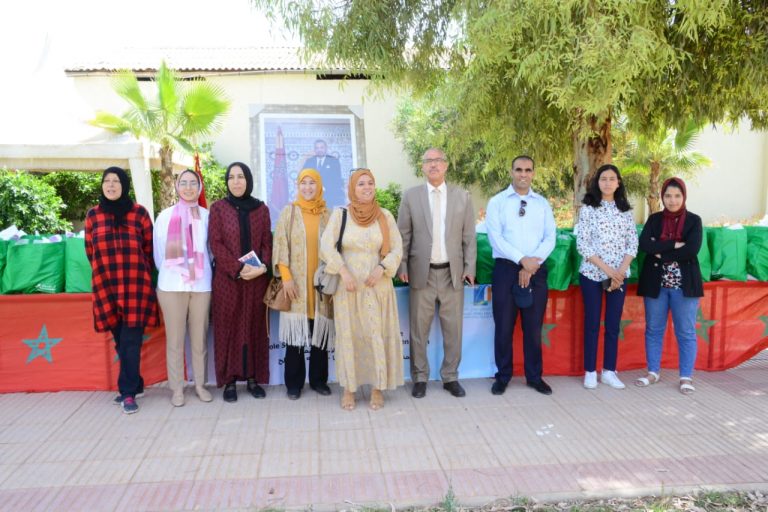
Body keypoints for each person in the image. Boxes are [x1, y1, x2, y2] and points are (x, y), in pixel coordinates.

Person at [320, 168, 403, 411]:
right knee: (350, 336)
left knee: (376, 334)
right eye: (361, 184)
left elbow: (397, 248)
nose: (367, 187)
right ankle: (349, 388)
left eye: (370, 183)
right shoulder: (341, 215)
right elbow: (326, 246)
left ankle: (377, 387)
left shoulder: (384, 216)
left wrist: (382, 267)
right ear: (352, 188)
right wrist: (343, 271)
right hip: (349, 289)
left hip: (378, 287)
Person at [397, 148, 477, 399]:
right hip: (421, 273)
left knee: (453, 330)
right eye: (428, 161)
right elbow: (403, 235)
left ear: (446, 165)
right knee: (418, 330)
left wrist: (470, 268)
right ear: (422, 167)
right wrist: (401, 265)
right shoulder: (411, 196)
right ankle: (420, 377)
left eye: (438, 160)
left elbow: (469, 237)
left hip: (453, 274)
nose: (433, 165)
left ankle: (450, 376)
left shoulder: (462, 197)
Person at [85, 166, 159, 415]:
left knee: (130, 341)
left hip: (135, 287)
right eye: (107, 181)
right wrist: (105, 271)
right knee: (120, 340)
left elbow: (149, 249)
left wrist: (138, 271)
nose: (111, 185)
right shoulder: (93, 215)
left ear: (124, 185)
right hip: (106, 286)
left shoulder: (139, 213)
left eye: (116, 181)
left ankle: (127, 393)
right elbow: (90, 251)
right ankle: (136, 384)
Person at [485, 155, 556, 396]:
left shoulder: (542, 204)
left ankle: (534, 377)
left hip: (536, 270)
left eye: (527, 170)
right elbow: (495, 238)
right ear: (511, 171)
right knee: (504, 328)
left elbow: (550, 237)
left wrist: (531, 263)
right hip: (506, 270)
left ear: (533, 173)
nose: (523, 174)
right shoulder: (497, 202)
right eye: (518, 169)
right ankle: (503, 376)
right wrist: (521, 260)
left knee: (533, 329)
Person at [208, 162, 272, 402]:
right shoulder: (218, 209)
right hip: (227, 281)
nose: (236, 182)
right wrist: (238, 268)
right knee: (229, 328)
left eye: (241, 177)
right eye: (232, 177)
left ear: (248, 180)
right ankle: (230, 381)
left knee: (254, 326)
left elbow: (267, 242)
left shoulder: (261, 209)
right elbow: (215, 243)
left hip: (256, 281)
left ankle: (253, 378)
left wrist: (261, 267)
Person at [636, 177, 703, 394]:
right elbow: (645, 244)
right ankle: (653, 372)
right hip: (656, 285)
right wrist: (674, 244)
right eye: (668, 196)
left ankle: (686, 377)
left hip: (684, 286)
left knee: (686, 332)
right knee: (653, 329)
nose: (672, 200)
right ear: (662, 197)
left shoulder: (694, 221)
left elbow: (691, 250)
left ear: (684, 197)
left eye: (677, 196)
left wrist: (661, 252)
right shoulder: (654, 219)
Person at [153, 169, 213, 407]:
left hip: (201, 286)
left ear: (199, 187)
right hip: (171, 285)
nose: (188, 187)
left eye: (193, 183)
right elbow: (159, 254)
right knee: (175, 341)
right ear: (177, 187)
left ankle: (200, 385)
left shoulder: (208, 216)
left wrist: (196, 272)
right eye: (184, 183)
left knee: (199, 340)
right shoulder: (165, 216)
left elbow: (211, 252)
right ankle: (177, 388)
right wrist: (179, 271)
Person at [272, 168, 334, 400]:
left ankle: (318, 381)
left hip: (320, 286)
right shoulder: (289, 212)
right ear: (298, 186)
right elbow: (281, 245)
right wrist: (286, 277)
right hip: (295, 285)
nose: (308, 188)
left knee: (319, 335)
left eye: (312, 183)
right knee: (295, 338)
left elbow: (335, 248)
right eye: (303, 183)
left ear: (319, 186)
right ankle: (294, 384)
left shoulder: (327, 215)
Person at [576, 164, 638, 390]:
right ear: (597, 182)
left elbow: (632, 243)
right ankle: (590, 371)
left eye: (612, 179)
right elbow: (583, 244)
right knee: (592, 323)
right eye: (604, 179)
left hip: (619, 277)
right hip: (592, 274)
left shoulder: (626, 211)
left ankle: (609, 371)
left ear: (618, 182)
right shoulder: (588, 209)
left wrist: (619, 272)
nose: (608, 183)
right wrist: (608, 270)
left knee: (613, 325)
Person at [302, 139, 345, 207]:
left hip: (329, 196)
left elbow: (337, 179)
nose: (319, 150)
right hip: (312, 196)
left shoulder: (333, 161)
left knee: (328, 213)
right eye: (317, 148)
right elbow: (304, 176)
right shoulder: (309, 161)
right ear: (314, 150)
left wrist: (325, 188)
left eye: (321, 147)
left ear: (326, 148)